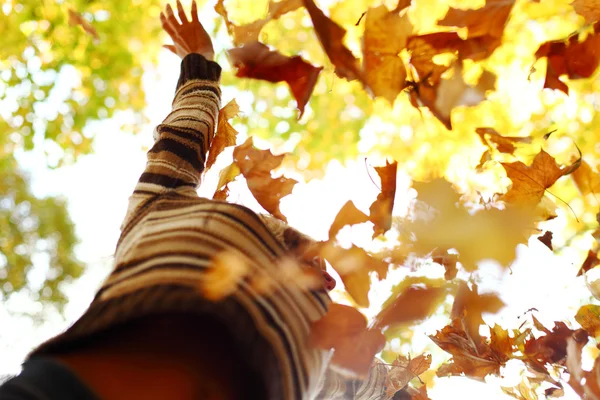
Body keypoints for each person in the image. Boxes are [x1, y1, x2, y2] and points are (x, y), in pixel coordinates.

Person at [0, 1, 386, 399]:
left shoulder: (153, 207)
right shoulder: (158, 210)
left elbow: (359, 383)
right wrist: (199, 61)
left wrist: (393, 384)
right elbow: (186, 130)